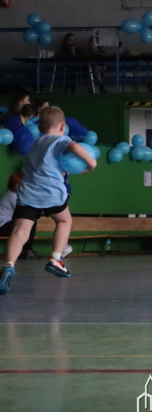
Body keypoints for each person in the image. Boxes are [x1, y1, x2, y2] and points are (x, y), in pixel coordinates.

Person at [0, 106, 97, 293]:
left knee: (20, 231)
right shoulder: (60, 139)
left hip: (27, 192)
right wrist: (92, 164)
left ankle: (9, 265)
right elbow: (75, 147)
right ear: (62, 126)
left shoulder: (36, 143)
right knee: (64, 220)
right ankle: (56, 258)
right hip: (50, 192)